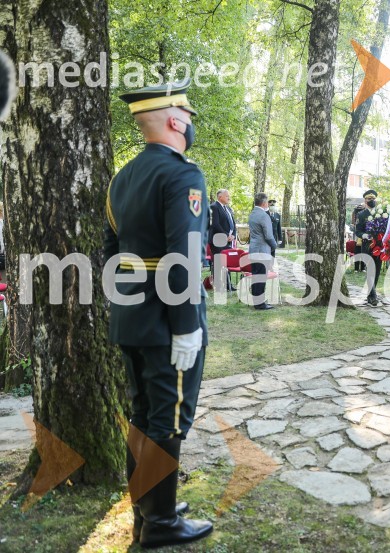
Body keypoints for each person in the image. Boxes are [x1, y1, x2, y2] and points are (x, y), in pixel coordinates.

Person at [104, 78, 213, 548]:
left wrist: (125, 304)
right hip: (169, 321)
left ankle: (147, 509)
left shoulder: (122, 178)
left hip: (131, 316)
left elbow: (110, 252)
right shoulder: (182, 175)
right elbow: (182, 257)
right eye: (187, 116)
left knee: (142, 415)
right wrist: (186, 326)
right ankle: (161, 524)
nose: (190, 124)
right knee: (167, 419)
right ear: (174, 120)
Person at [248, 193, 278, 310]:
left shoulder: (252, 214)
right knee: (261, 276)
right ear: (264, 203)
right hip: (262, 250)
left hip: (254, 248)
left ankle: (256, 301)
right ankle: (259, 303)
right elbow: (268, 235)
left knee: (256, 275)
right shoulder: (264, 216)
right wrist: (274, 246)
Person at [355, 189, 383, 306]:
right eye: (369, 199)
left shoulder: (381, 213)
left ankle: (371, 295)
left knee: (377, 271)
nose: (371, 200)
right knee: (370, 271)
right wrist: (364, 235)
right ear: (365, 200)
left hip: (380, 246)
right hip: (367, 246)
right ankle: (373, 296)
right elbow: (358, 231)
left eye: (373, 199)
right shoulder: (361, 214)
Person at [209, 189, 237, 292]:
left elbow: (233, 223)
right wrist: (226, 235)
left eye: (228, 196)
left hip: (228, 240)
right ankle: (218, 286)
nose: (229, 198)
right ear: (220, 197)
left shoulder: (228, 208)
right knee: (218, 262)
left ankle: (228, 284)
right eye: (227, 196)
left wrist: (233, 235)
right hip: (217, 239)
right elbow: (215, 224)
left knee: (226, 262)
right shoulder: (214, 207)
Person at [351, 203, 366, 272]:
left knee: (363, 253)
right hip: (357, 239)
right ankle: (356, 268)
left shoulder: (365, 217)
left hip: (364, 238)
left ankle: (363, 268)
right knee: (357, 253)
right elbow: (353, 227)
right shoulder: (355, 218)